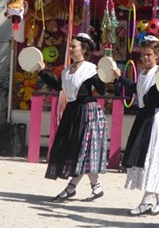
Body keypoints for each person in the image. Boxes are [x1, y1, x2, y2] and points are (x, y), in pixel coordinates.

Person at [37, 33, 108, 203]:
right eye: (70, 46)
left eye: (73, 46)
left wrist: (106, 75)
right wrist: (42, 72)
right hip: (72, 111)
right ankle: (95, 187)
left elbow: (102, 90)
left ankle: (72, 188)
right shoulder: (67, 70)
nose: (70, 49)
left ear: (83, 49)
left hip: (87, 111)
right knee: (78, 149)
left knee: (82, 149)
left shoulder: (90, 69)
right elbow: (58, 87)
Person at [113, 35, 159, 215]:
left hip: (154, 118)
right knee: (144, 158)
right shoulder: (144, 73)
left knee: (151, 158)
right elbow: (136, 88)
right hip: (144, 117)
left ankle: (147, 201)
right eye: (143, 54)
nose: (145, 58)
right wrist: (120, 77)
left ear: (157, 56)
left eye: (149, 55)